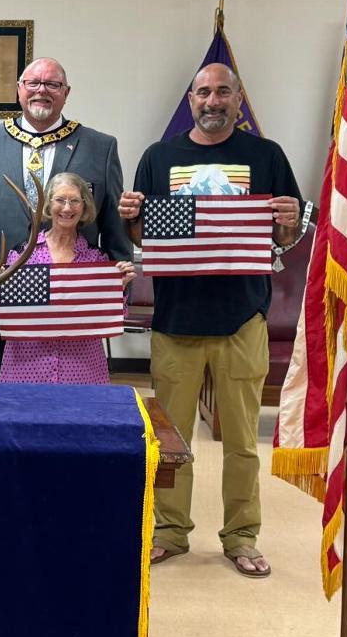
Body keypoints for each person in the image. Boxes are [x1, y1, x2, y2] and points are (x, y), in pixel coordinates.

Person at [119, 62, 303, 579]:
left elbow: (284, 237)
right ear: (192, 98)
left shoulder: (266, 156)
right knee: (171, 441)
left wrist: (288, 222)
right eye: (204, 92)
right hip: (175, 318)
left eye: (223, 91)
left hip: (243, 315)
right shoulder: (160, 157)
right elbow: (142, 237)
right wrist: (131, 218)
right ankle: (170, 532)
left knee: (243, 442)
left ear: (238, 98)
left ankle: (242, 536)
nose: (213, 100)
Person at [0, 56, 133, 382]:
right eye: (33, 83)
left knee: (71, 410)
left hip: (73, 317)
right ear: (18, 90)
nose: (42, 91)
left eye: (52, 84)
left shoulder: (100, 147)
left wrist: (115, 290)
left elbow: (114, 230)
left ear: (66, 93)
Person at [0, 172, 135, 383]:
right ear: (48, 204)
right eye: (60, 200)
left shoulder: (96, 259)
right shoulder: (23, 255)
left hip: (83, 368)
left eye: (74, 201)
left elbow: (111, 314)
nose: (67, 208)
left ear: (84, 207)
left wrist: (120, 286)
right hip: (27, 367)